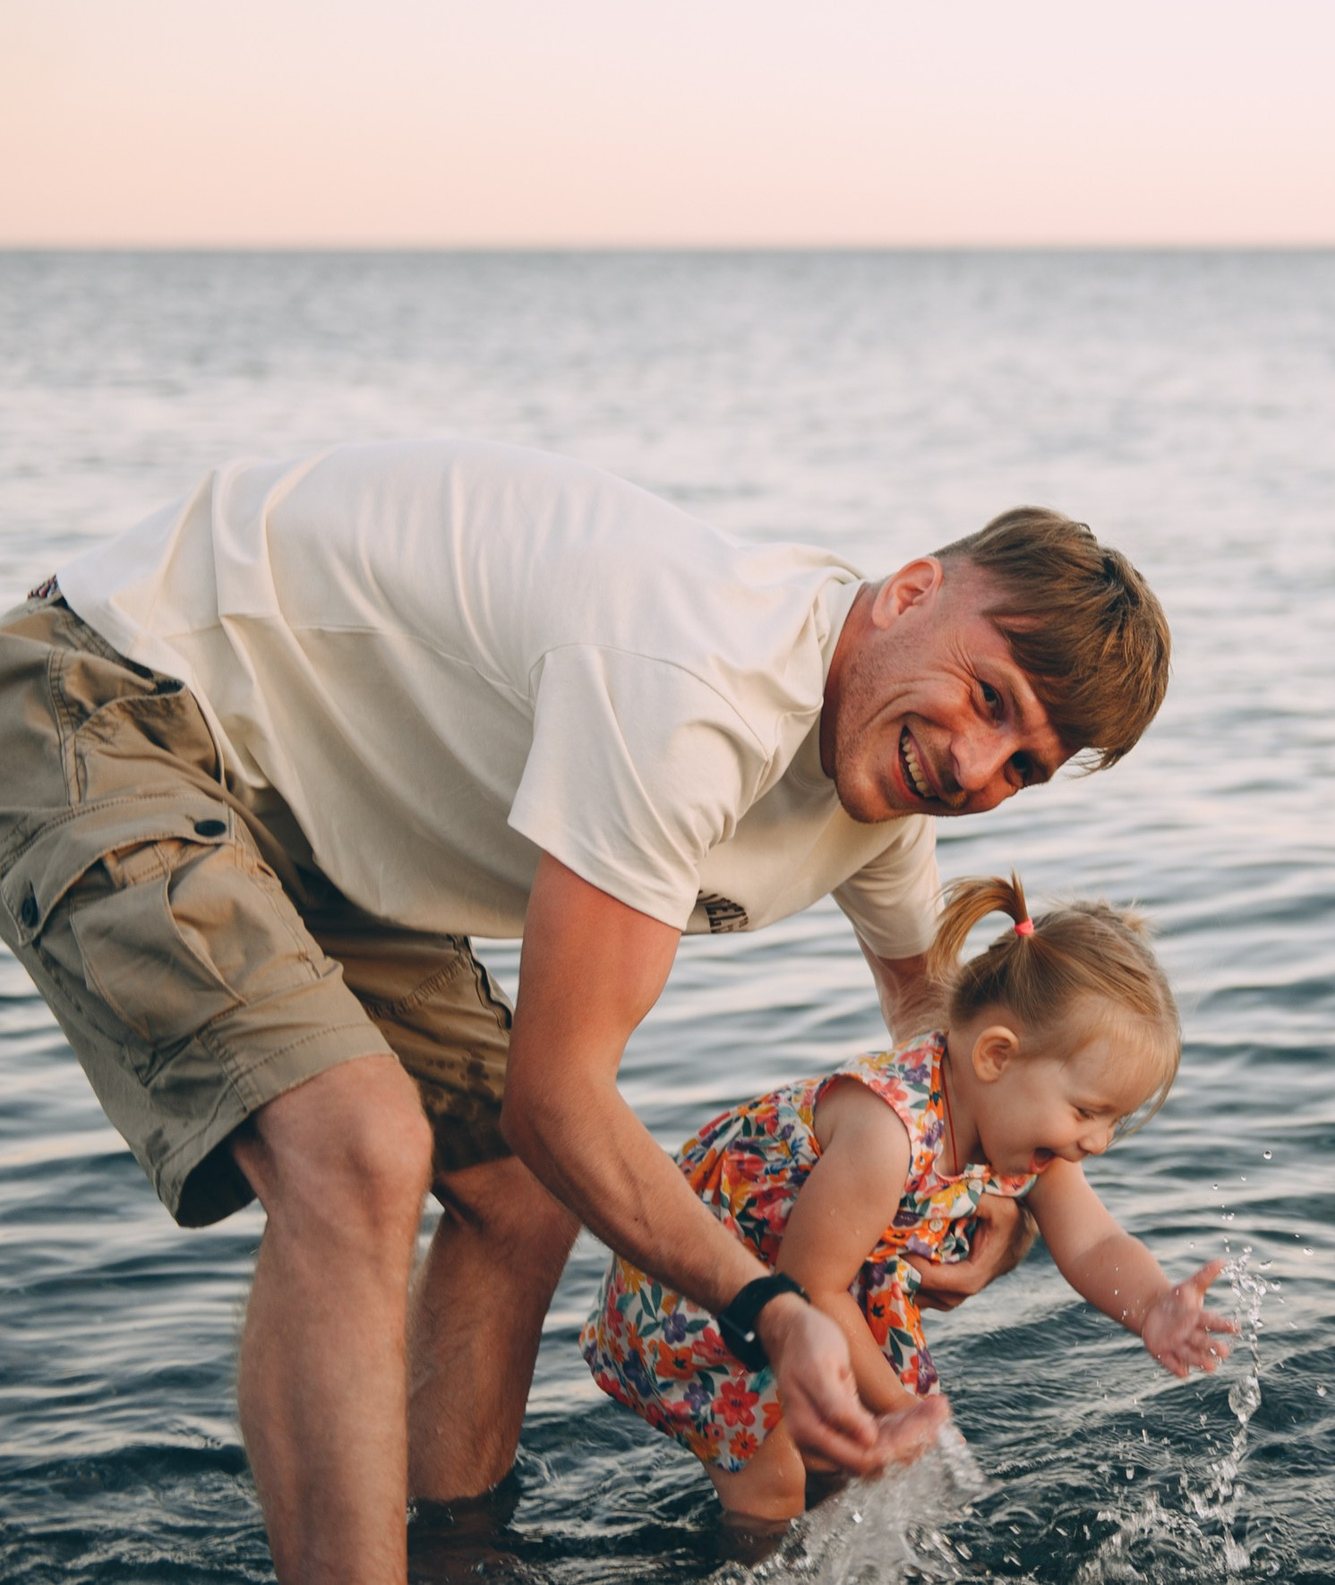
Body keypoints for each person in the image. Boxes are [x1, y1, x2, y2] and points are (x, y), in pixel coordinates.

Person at [0, 440, 1171, 1583]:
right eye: (988, 697)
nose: (977, 767)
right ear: (913, 591)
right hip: (112, 696)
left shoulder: (883, 783)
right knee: (358, 1148)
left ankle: (457, 1550)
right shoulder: (690, 685)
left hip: (318, 820)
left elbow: (948, 1048)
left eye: (1024, 764)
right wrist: (770, 1302)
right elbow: (561, 1096)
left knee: (512, 1186)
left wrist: (1009, 1213)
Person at [582, 874, 1233, 1520]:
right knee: (774, 1485)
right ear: (997, 1056)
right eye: (1089, 1110)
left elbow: (1093, 1239)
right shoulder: (888, 1132)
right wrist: (902, 1410)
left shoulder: (1019, 1126)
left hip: (816, 1289)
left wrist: (1151, 1304)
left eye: (1115, 1118)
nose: (1098, 1140)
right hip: (708, 1294)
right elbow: (810, 1286)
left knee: (850, 1463)